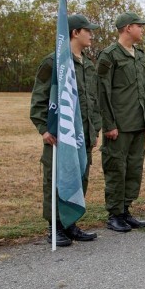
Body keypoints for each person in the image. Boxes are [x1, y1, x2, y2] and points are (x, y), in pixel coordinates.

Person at [30, 14, 101, 246]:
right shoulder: (54, 63)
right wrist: (43, 129)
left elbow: (92, 101)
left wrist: (95, 129)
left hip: (83, 136)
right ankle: (55, 227)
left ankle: (70, 224)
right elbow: (40, 100)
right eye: (87, 30)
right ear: (74, 33)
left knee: (80, 178)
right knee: (57, 180)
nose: (91, 34)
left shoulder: (88, 65)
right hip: (60, 136)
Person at [97, 12, 145, 232]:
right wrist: (109, 124)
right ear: (128, 28)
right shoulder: (109, 56)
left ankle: (126, 209)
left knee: (134, 169)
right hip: (119, 125)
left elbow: (143, 91)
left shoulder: (140, 55)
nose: (142, 30)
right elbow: (102, 92)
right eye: (139, 26)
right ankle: (114, 214)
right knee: (116, 169)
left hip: (137, 123)